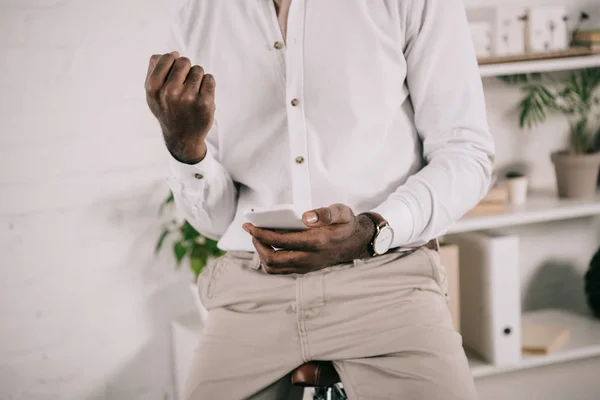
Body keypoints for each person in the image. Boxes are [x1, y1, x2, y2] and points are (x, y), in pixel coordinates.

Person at [145, 0, 494, 398]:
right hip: (252, 292)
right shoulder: (197, 15)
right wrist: (186, 148)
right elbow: (215, 222)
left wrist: (371, 231)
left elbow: (466, 153)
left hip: (387, 282)